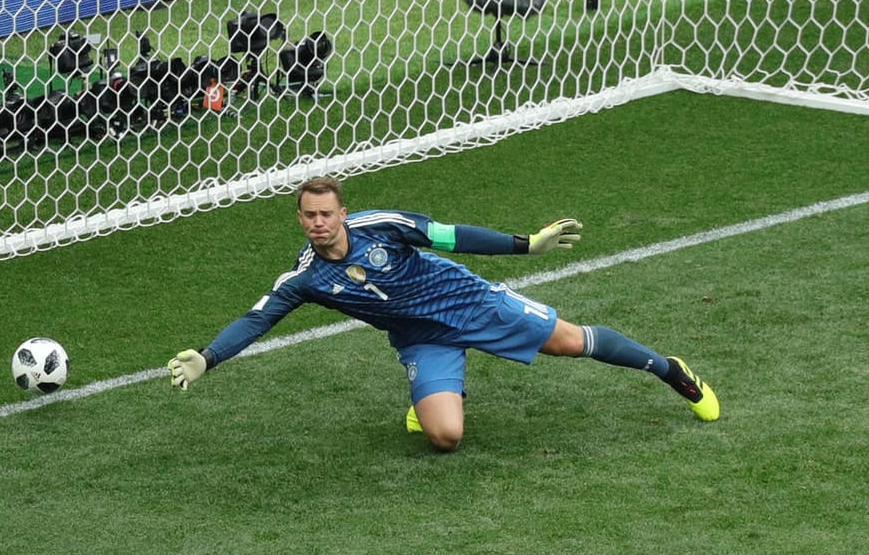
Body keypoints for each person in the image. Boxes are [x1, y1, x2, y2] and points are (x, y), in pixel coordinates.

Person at [166, 175, 718, 450]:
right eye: (308, 215)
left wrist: (527, 244)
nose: (318, 222)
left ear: (343, 213)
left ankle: (670, 371)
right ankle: (439, 390)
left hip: (471, 303)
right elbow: (257, 319)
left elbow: (452, 236)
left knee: (570, 343)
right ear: (300, 219)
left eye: (326, 213)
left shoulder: (381, 224)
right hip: (420, 338)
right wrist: (209, 358)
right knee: (445, 438)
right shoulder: (304, 278)